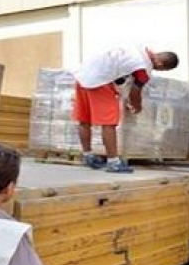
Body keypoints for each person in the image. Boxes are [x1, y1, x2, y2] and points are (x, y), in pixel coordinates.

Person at [73, 45, 179, 173]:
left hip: (83, 74)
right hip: (99, 81)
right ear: (161, 64)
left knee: (84, 119)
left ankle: (88, 156)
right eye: (162, 69)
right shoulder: (143, 67)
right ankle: (113, 162)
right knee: (109, 123)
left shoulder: (137, 50)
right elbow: (135, 91)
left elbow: (120, 77)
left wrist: (126, 97)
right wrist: (137, 106)